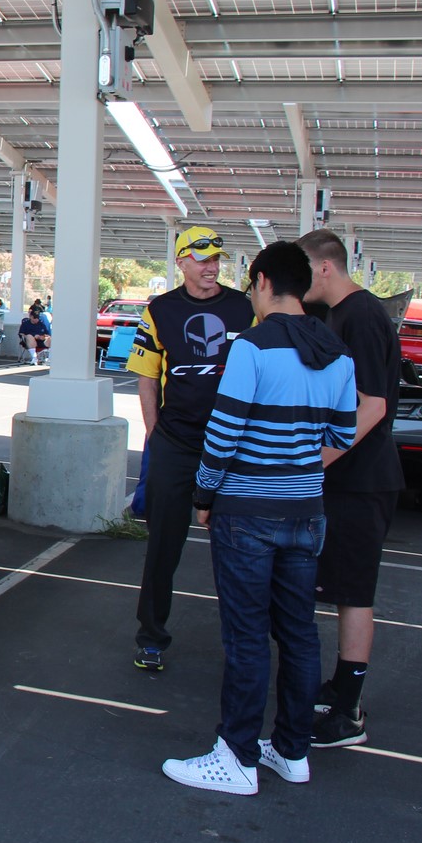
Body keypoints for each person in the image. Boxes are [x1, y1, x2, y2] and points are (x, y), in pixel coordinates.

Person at [161, 242, 358, 795]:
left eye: (250, 285)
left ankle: (237, 757)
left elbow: (222, 433)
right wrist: (297, 462)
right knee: (298, 633)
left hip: (247, 513)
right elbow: (342, 435)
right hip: (306, 512)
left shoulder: (250, 347)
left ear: (265, 282)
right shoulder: (338, 354)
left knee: (246, 636)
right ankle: (292, 751)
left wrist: (204, 495)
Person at [127, 225, 256, 671]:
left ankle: (244, 643)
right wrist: (154, 433)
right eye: (202, 260)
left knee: (241, 546)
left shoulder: (246, 307)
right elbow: (146, 375)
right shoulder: (160, 310)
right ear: (181, 262)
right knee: (164, 544)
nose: (211, 267)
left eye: (216, 259)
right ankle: (151, 638)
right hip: (176, 444)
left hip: (236, 446)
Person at [297, 228, 404, 748]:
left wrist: (316, 463)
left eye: (302, 271)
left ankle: (348, 714)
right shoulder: (341, 314)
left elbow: (373, 405)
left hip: (363, 483)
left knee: (354, 595)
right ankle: (340, 689)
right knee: (340, 589)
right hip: (352, 480)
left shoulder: (359, 315)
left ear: (324, 268)